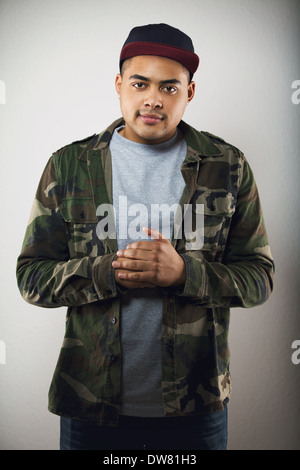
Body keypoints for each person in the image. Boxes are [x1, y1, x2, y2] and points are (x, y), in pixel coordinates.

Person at [16, 23, 274, 450]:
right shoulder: (68, 166)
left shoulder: (227, 166)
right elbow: (31, 278)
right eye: (140, 83)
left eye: (170, 87)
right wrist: (108, 273)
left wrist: (183, 274)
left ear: (189, 93)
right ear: (120, 85)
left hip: (196, 406)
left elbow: (260, 278)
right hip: (91, 406)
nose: (154, 98)